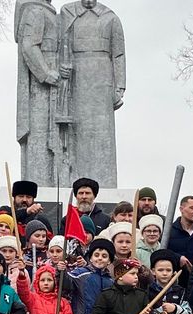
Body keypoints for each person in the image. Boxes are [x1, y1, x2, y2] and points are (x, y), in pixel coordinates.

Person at [59, 0, 126, 188]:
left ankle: (104, 185)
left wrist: (119, 86)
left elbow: (118, 54)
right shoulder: (67, 12)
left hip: (102, 79)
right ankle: (75, 185)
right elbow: (58, 45)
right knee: (76, 135)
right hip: (75, 79)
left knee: (102, 136)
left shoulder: (110, 17)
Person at [14, 0, 59, 185]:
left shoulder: (46, 11)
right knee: (40, 137)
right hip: (40, 90)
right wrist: (46, 73)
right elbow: (29, 46)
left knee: (52, 139)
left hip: (53, 85)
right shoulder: (35, 10)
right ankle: (40, 184)